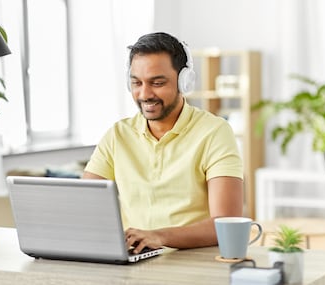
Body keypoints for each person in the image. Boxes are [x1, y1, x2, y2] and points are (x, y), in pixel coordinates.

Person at [82, 32, 243, 254]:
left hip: (192, 262)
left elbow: (226, 223)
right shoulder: (118, 134)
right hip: (134, 261)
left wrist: (159, 236)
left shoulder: (215, 132)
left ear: (184, 81)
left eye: (157, 83)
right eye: (136, 83)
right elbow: (83, 203)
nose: (145, 94)